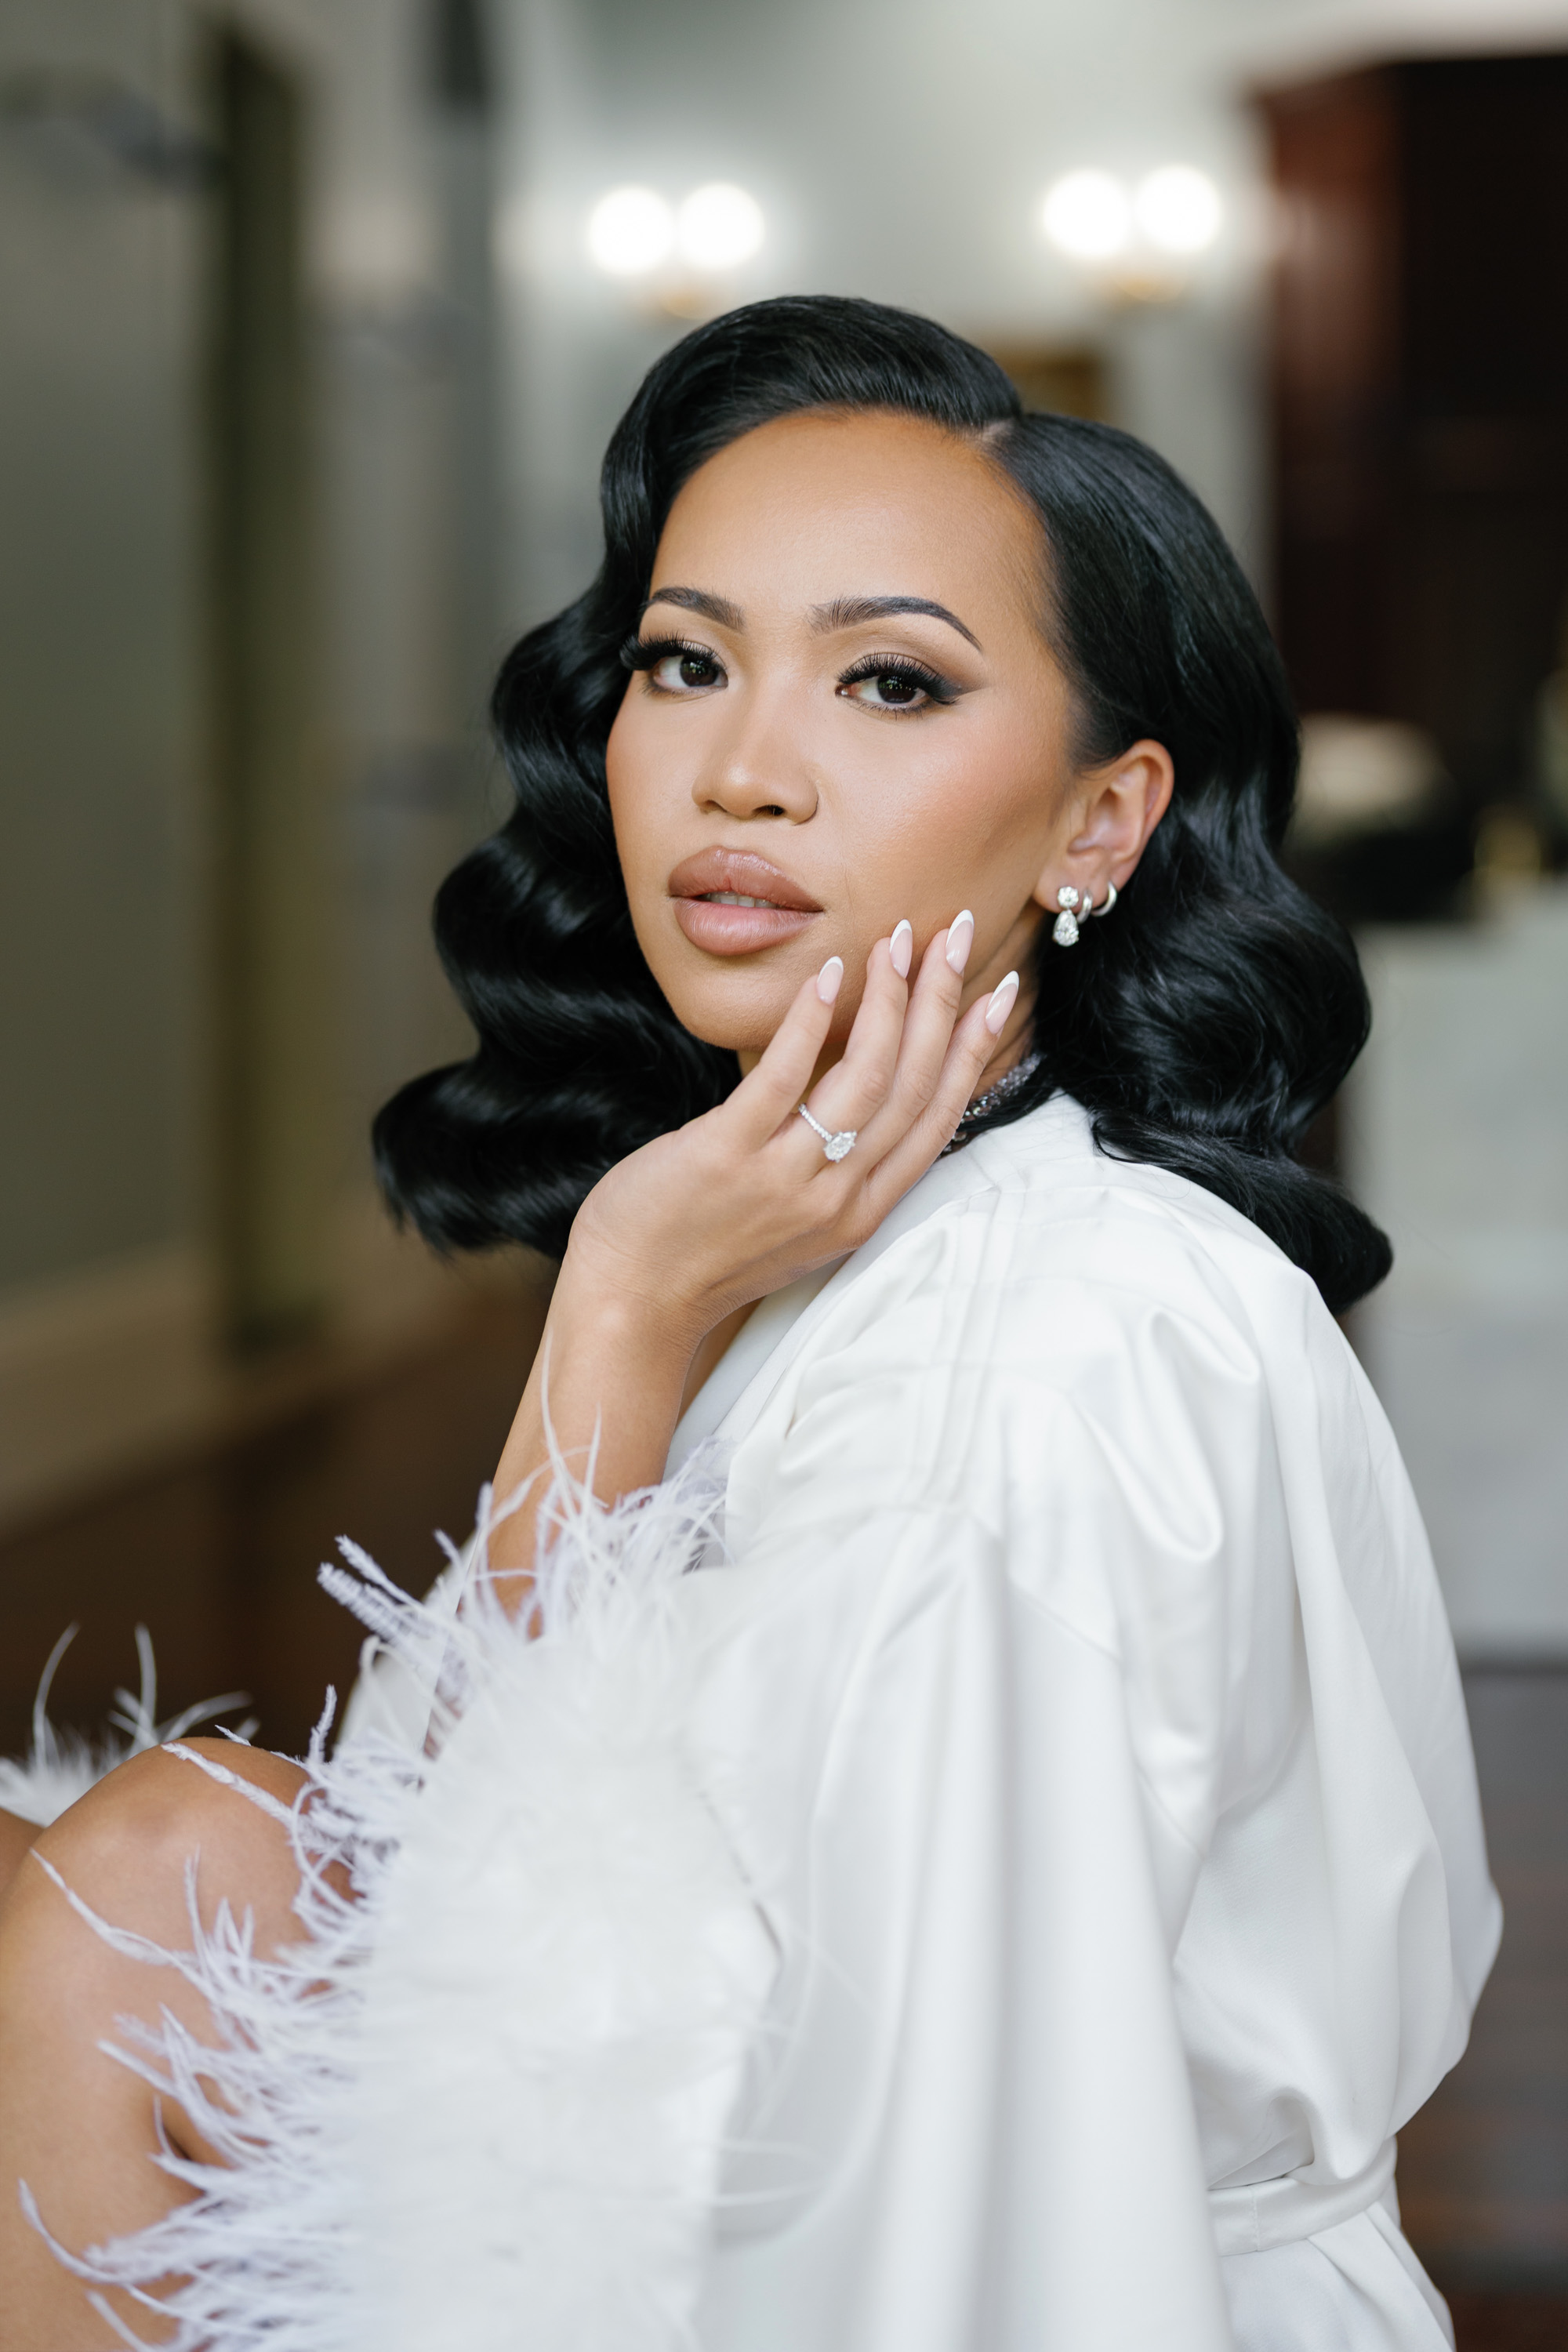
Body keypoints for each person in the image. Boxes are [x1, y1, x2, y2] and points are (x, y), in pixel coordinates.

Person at [0, 297, 1498, 2352]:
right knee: (144, 1870)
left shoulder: (1066, 1349)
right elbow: (468, 1908)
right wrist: (622, 1311)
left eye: (891, 680)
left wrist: (632, 1292)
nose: (740, 771)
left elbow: (972, 2197)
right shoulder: (788, 1252)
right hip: (665, 2223)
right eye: (683, 663)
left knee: (151, 1873)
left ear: (1103, 819)